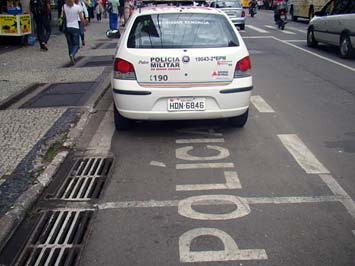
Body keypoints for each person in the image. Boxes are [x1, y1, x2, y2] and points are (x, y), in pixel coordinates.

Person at [62, 0, 86, 65]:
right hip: (75, 27)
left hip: (67, 27)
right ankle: (72, 54)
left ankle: (71, 55)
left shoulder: (64, 6)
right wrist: (83, 26)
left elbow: (63, 16)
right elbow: (81, 18)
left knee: (70, 43)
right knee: (76, 44)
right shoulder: (77, 7)